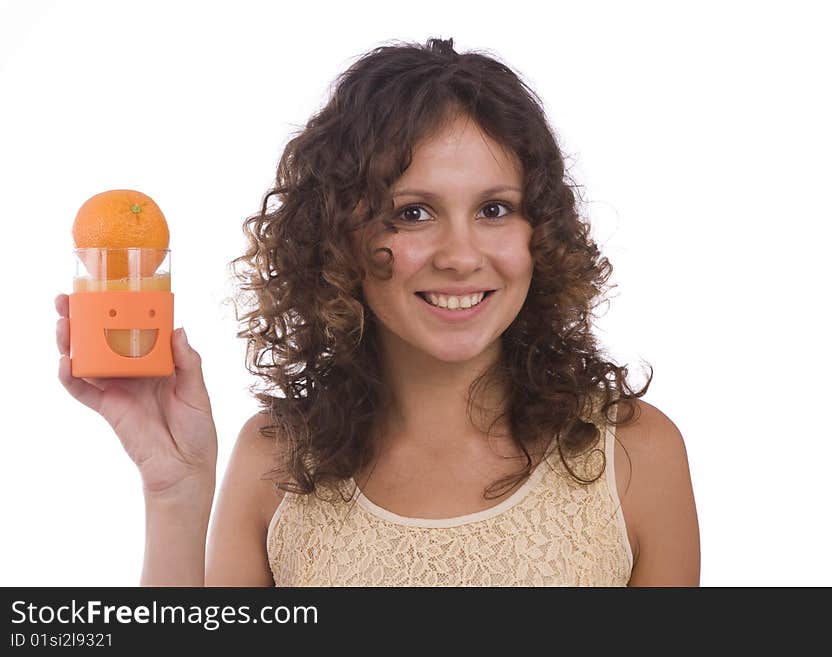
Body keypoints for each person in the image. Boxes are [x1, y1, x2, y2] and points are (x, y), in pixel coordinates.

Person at [54, 37, 699, 586]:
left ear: (542, 231)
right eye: (413, 213)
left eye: (494, 209)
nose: (460, 255)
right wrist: (175, 491)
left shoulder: (636, 457)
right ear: (340, 238)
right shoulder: (275, 464)